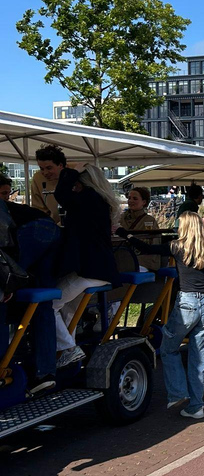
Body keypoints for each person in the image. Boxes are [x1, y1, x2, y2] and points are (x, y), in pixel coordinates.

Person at [117, 212, 204, 419]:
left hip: (187, 302)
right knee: (200, 359)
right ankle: (196, 405)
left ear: (184, 227)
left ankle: (178, 392)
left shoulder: (177, 246)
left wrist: (123, 234)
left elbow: (146, 249)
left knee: (169, 348)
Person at [53, 164, 121, 367]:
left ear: (83, 183)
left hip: (89, 269)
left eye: (76, 184)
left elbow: (60, 195)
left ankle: (68, 349)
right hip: (100, 268)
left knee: (47, 304)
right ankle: (67, 350)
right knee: (68, 309)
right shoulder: (99, 201)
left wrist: (69, 173)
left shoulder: (88, 199)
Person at [1, 177, 60, 394]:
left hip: (34, 233)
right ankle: (45, 373)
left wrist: (7, 286)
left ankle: (5, 365)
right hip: (49, 233)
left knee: (7, 292)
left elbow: (4, 251)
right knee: (42, 302)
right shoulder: (15, 208)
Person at [120, 187, 161, 271]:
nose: (130, 201)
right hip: (121, 258)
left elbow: (154, 244)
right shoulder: (120, 218)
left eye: (135, 198)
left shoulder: (150, 221)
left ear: (144, 202)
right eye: (129, 198)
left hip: (142, 261)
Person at [31, 144, 67, 224]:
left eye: (49, 168)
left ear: (60, 165)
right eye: (41, 169)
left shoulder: (74, 174)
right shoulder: (38, 178)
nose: (45, 173)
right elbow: (38, 209)